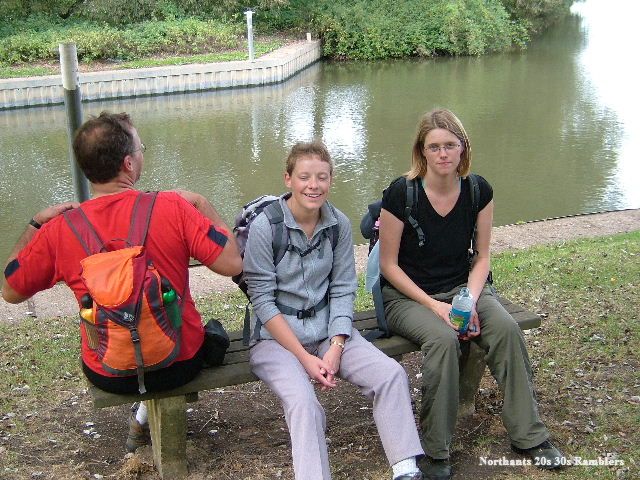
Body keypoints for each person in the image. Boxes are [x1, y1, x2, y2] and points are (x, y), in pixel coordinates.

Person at [1, 111, 242, 452]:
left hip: (107, 373)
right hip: (179, 365)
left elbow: (10, 290)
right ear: (129, 163)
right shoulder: (172, 207)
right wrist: (201, 203)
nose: (142, 153)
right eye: (141, 148)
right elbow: (232, 263)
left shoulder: (59, 229)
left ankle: (139, 416)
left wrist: (35, 224)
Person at [378, 109, 564, 479]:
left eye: (450, 145)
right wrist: (438, 308)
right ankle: (436, 450)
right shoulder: (401, 193)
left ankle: (529, 435)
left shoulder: (478, 190)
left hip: (464, 288)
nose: (443, 153)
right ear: (422, 151)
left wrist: (468, 301)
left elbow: (482, 257)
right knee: (443, 340)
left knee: (507, 330)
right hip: (407, 296)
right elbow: (389, 266)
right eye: (434, 146)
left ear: (463, 148)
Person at [243, 141, 424, 480]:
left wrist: (337, 345)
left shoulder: (338, 223)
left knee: (390, 375)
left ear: (331, 179)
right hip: (274, 340)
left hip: (329, 330)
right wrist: (304, 357)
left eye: (322, 177)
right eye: (304, 177)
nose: (313, 185)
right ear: (288, 179)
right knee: (304, 404)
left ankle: (406, 469)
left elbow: (342, 288)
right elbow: (263, 301)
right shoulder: (266, 227)